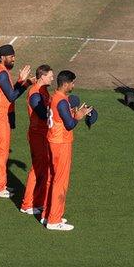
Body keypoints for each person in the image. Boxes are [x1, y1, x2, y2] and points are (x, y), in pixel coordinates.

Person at [41, 70, 92, 231]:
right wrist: (79, 115)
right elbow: (69, 124)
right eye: (72, 83)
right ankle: (54, 220)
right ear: (66, 83)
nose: (73, 85)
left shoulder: (54, 97)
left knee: (51, 178)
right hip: (60, 143)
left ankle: (47, 214)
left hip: (52, 140)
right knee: (60, 181)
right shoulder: (61, 101)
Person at [0, 44, 31, 198]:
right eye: (11, 56)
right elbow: (11, 96)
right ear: (3, 57)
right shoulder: (1, 73)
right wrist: (23, 83)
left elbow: (9, 92)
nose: (14, 59)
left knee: (0, 150)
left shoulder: (1, 71)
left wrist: (24, 82)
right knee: (1, 151)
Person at [20, 65, 54, 215]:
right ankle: (27, 204)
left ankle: (38, 201)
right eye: (50, 76)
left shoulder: (43, 91)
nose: (52, 78)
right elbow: (42, 113)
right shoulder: (35, 94)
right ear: (42, 76)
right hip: (37, 135)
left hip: (43, 134)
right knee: (37, 168)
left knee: (43, 168)